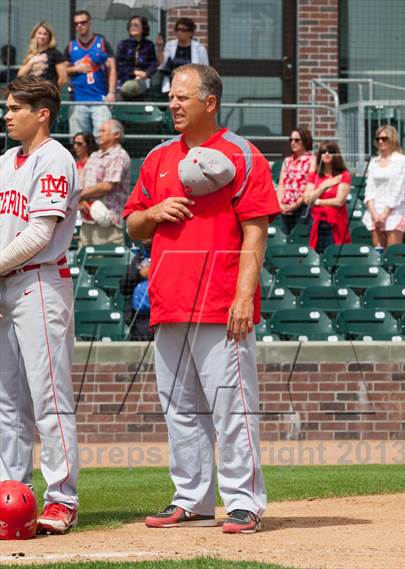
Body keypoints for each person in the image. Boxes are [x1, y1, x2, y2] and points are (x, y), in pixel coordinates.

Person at [123, 63, 280, 534]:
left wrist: (242, 298)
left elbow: (256, 233)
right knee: (180, 409)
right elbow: (132, 224)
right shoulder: (157, 159)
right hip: (168, 300)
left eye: (182, 97)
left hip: (219, 301)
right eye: (171, 96)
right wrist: (153, 211)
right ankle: (191, 499)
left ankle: (244, 502)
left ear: (209, 102)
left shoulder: (244, 154)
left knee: (232, 406)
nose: (172, 104)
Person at [0, 75, 79, 533]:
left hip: (41, 282)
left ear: (42, 112)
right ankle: (12, 493)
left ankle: (62, 498)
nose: (7, 114)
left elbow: (39, 233)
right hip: (7, 285)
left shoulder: (56, 159)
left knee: (49, 399)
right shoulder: (7, 160)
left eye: (15, 107)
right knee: (7, 402)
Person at [79, 119, 130, 246]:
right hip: (87, 221)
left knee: (105, 261)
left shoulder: (119, 155)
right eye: (99, 131)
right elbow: (82, 182)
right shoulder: (94, 155)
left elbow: (107, 186)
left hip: (108, 224)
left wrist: (80, 195)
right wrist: (81, 200)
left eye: (103, 131)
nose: (99, 134)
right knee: (83, 261)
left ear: (116, 134)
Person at [64, 10, 116, 137]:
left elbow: (113, 68)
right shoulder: (71, 46)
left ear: (90, 23)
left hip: (100, 99)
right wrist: (77, 68)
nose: (79, 26)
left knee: (103, 138)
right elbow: (62, 71)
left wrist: (112, 93)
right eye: (76, 24)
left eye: (83, 22)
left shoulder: (102, 43)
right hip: (78, 100)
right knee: (79, 140)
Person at [362, 125, 405, 252]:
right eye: (378, 139)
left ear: (392, 139)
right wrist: (374, 213)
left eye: (384, 138)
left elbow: (397, 190)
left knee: (393, 254)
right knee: (379, 253)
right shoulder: (374, 162)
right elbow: (370, 188)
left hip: (394, 212)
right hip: (375, 212)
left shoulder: (401, 160)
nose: (380, 141)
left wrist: (383, 215)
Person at [303, 141, 352, 253]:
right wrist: (324, 186)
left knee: (335, 255)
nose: (326, 154)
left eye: (330, 151)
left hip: (337, 223)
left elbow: (339, 201)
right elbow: (307, 200)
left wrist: (318, 201)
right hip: (317, 223)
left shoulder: (343, 175)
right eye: (323, 152)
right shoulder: (314, 176)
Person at [276, 128, 316, 235]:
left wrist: (295, 204)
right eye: (291, 140)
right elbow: (281, 184)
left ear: (305, 141)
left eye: (297, 140)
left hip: (301, 207)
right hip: (285, 208)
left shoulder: (312, 160)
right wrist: (280, 204)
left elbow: (309, 186)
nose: (293, 143)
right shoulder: (287, 161)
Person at [158, 18, 208, 94]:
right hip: (172, 85)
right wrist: (160, 48)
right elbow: (161, 64)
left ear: (191, 32)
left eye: (183, 30)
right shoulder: (170, 45)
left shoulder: (199, 48)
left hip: (191, 86)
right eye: (177, 30)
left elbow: (205, 70)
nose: (179, 32)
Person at [116, 15, 157, 99]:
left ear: (143, 28)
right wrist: (135, 72)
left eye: (136, 25)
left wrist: (146, 73)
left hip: (143, 82)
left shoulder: (148, 45)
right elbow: (119, 66)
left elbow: (153, 63)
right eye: (131, 25)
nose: (132, 27)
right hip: (124, 82)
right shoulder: (123, 44)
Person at [119, 240, 153, 341]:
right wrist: (139, 274)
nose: (145, 237)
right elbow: (124, 287)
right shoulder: (139, 257)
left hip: (156, 317)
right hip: (138, 319)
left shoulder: (164, 255)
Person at [18, 22, 67, 89]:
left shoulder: (55, 53)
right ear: (34, 35)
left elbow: (63, 79)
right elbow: (20, 76)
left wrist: (52, 92)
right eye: (39, 33)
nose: (42, 36)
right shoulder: (31, 54)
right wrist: (31, 62)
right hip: (31, 93)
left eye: (45, 34)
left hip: (47, 95)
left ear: (50, 37)